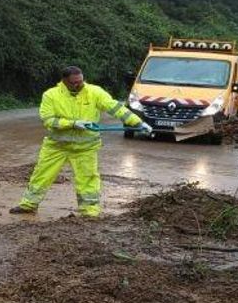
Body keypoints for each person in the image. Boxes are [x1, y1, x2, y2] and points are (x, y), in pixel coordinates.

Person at [10, 66, 152, 218]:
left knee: (88, 180)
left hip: (85, 148)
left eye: (81, 81)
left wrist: (137, 122)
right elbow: (48, 120)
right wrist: (72, 123)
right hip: (56, 146)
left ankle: (90, 212)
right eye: (74, 83)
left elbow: (115, 107)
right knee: (41, 175)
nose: (79, 85)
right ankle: (28, 205)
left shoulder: (94, 92)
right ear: (64, 81)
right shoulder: (51, 95)